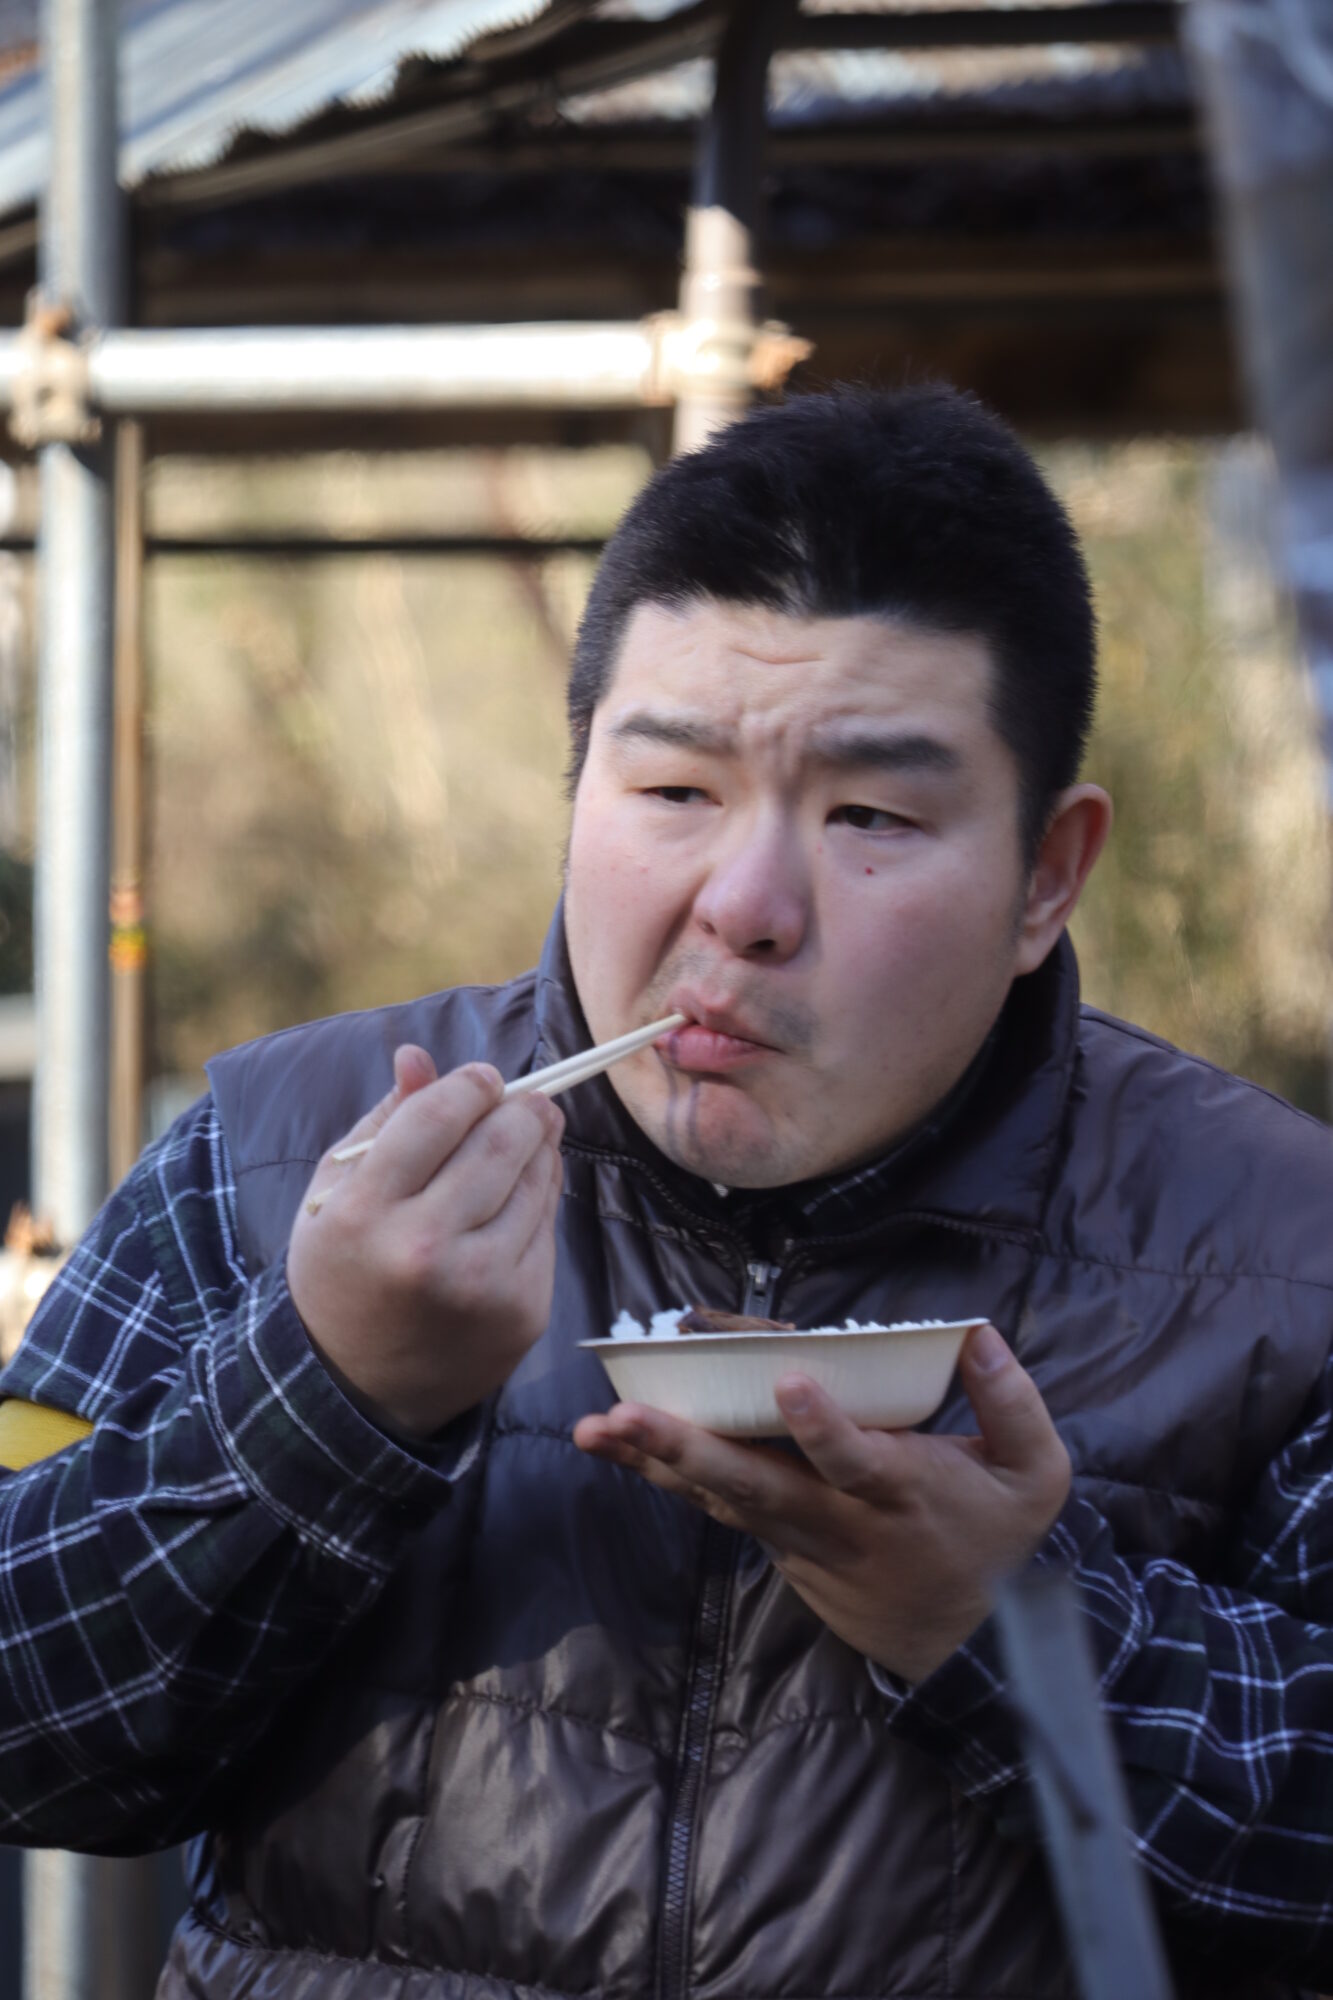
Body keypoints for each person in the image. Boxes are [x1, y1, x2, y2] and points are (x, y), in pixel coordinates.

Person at [1, 386, 1331, 2000]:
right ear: (575, 790)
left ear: (1047, 873)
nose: (745, 904)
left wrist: (1015, 1632)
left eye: (868, 815)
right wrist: (324, 1397)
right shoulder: (280, 1151)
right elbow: (31, 1739)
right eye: (673, 792)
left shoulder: (1287, 1254)